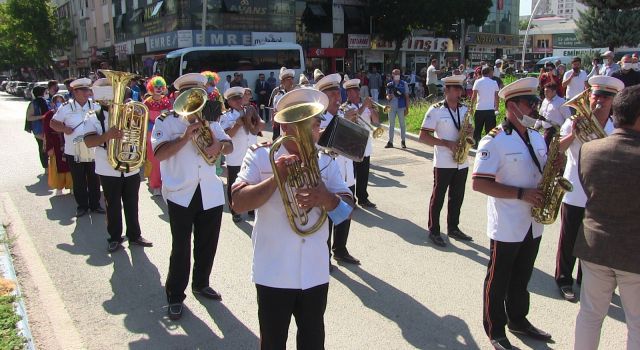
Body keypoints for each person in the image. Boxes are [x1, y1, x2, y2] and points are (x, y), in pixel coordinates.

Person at [231, 88, 354, 349]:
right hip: (273, 272)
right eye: (303, 122)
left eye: (315, 123)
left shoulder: (326, 162)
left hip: (315, 272)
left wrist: (327, 198)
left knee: (313, 342)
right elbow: (238, 202)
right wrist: (277, 178)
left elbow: (345, 213)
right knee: (273, 343)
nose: (311, 129)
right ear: (284, 126)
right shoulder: (260, 154)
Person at [472, 77, 553, 350]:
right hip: (507, 222)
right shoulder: (493, 140)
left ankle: (519, 319)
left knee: (522, 277)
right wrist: (521, 194)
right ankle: (496, 329)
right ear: (512, 106)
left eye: (534, 101)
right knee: (498, 279)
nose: (534, 107)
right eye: (529, 103)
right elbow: (479, 183)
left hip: (533, 221)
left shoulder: (537, 135)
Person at [150, 73, 234, 320]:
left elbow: (228, 144)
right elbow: (160, 154)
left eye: (196, 94)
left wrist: (219, 147)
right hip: (181, 193)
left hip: (209, 191)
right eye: (187, 94)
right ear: (176, 96)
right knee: (181, 248)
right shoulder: (166, 122)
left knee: (207, 244)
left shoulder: (209, 120)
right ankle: (175, 295)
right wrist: (185, 136)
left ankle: (201, 282)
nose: (192, 99)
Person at [573, 84, 640, 350]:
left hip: (595, 248)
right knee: (636, 323)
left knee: (589, 315)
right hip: (633, 253)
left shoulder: (589, 150)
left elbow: (589, 189)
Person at [554, 75, 624, 302]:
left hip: (600, 194)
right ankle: (564, 279)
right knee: (569, 239)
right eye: (596, 96)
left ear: (613, 101)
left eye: (606, 97)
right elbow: (557, 150)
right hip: (574, 190)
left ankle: (586, 279)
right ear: (589, 97)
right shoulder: (574, 120)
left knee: (593, 240)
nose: (599, 102)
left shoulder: (616, 128)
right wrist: (573, 132)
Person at [83, 78, 153, 253]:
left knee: (132, 203)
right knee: (112, 205)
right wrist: (108, 136)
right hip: (108, 169)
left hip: (130, 167)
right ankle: (114, 237)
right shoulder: (93, 116)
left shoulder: (130, 112)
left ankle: (135, 235)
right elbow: (89, 142)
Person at [419, 75, 474, 247]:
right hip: (443, 161)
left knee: (457, 196)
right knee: (439, 197)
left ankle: (453, 227)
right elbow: (423, 137)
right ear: (447, 90)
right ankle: (434, 230)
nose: (460, 92)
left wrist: (470, 133)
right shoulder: (435, 110)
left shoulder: (465, 109)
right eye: (456, 89)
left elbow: (470, 133)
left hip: (461, 161)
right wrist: (446, 143)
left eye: (460, 89)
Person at [317, 73, 360, 265]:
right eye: (333, 94)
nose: (338, 98)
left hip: (346, 172)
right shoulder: (318, 119)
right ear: (323, 98)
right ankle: (323, 255)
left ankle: (341, 249)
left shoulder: (343, 114)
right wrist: (342, 123)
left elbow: (354, 144)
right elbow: (320, 139)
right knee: (326, 218)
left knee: (346, 210)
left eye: (338, 93)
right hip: (327, 173)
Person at [50, 78, 104, 217]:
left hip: (92, 149)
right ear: (76, 91)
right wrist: (64, 128)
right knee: (78, 180)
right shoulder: (66, 107)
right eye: (85, 90)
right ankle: (82, 206)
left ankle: (95, 204)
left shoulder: (95, 106)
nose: (88, 93)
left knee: (94, 178)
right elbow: (53, 123)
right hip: (73, 150)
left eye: (88, 90)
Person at [220, 86, 265, 223]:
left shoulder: (250, 110)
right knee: (234, 184)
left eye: (240, 98)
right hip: (235, 155)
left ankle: (251, 208)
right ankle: (235, 210)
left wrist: (257, 122)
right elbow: (226, 135)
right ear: (229, 102)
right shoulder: (226, 116)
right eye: (234, 99)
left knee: (253, 181)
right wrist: (237, 125)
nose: (238, 101)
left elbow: (261, 126)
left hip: (251, 153)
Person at [343, 77, 378, 209]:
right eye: (350, 92)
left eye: (355, 91)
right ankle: (351, 200)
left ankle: (363, 198)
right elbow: (353, 118)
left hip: (366, 144)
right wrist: (364, 106)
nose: (353, 94)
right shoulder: (345, 107)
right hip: (352, 145)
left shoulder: (366, 106)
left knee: (364, 174)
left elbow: (375, 121)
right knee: (351, 175)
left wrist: (373, 109)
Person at [143, 76, 172, 196]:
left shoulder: (166, 101)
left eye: (161, 87)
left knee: (167, 158)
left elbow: (171, 116)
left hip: (165, 131)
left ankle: (167, 183)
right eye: (156, 87)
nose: (159, 89)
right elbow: (143, 118)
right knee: (154, 160)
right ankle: (155, 185)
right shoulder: (147, 102)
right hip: (151, 132)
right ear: (151, 88)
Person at [43, 94, 72, 196]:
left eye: (61, 101)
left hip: (67, 142)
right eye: (57, 101)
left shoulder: (69, 113)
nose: (59, 103)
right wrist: (49, 147)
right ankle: (59, 187)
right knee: (57, 165)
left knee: (70, 165)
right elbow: (46, 133)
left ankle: (71, 186)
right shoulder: (48, 115)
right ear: (52, 103)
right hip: (55, 143)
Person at [471, 66, 500, 146]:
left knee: (478, 128)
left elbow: (474, 96)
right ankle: (489, 145)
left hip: (479, 109)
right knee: (490, 130)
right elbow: (496, 97)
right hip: (490, 109)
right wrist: (496, 108)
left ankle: (476, 144)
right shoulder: (494, 83)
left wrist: (471, 107)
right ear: (489, 72)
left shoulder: (477, 82)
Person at [26, 86, 50, 173]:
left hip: (49, 129)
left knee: (50, 148)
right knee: (43, 148)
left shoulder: (47, 102)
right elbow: (29, 117)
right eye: (45, 92)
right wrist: (42, 117)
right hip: (39, 130)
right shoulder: (33, 104)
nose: (47, 94)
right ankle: (46, 168)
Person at [385, 68, 410, 149]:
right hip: (391, 107)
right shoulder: (389, 84)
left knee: (402, 124)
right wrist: (389, 97)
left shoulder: (404, 84)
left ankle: (403, 141)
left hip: (401, 107)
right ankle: (390, 142)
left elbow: (407, 97)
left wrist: (407, 108)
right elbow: (387, 96)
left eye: (398, 74)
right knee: (391, 125)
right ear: (392, 75)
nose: (397, 75)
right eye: (395, 74)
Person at [268, 67, 295, 140]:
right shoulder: (278, 94)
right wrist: (273, 121)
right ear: (282, 81)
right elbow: (273, 108)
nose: (291, 81)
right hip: (283, 124)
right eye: (288, 79)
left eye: (292, 78)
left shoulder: (296, 93)